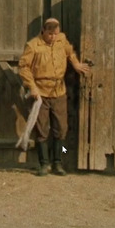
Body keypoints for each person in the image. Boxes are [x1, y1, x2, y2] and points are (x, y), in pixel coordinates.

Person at [18, 18, 90, 176]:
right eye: (50, 34)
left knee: (61, 129)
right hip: (41, 93)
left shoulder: (61, 40)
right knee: (42, 129)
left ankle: (58, 161)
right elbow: (23, 67)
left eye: (55, 34)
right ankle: (44, 164)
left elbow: (70, 52)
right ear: (43, 31)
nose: (53, 37)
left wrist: (76, 64)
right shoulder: (33, 45)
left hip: (59, 91)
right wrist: (32, 87)